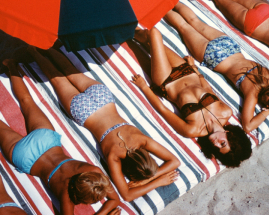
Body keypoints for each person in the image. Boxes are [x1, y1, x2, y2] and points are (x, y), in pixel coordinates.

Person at [28, 47, 180, 202]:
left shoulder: (142, 140)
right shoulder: (114, 156)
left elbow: (175, 161)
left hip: (103, 99)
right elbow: (126, 195)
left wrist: (155, 176)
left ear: (147, 157)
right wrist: (153, 181)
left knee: (70, 71)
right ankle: (31, 50)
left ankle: (45, 46)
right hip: (85, 113)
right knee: (57, 79)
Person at [1, 59, 121, 215]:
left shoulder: (92, 170)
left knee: (27, 101)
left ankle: (11, 66)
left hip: (47, 140)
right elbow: (114, 201)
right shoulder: (67, 196)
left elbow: (115, 199)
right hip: (26, 157)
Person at [132, 27, 252, 168]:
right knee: (148, 39)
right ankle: (128, 27)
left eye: (217, 149)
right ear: (230, 135)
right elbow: (207, 89)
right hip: (186, 71)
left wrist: (144, 87)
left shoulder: (192, 130)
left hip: (166, 80)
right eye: (222, 143)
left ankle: (127, 29)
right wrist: (195, 69)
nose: (216, 144)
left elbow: (163, 110)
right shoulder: (226, 111)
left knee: (154, 34)